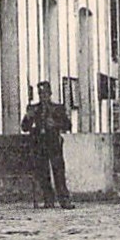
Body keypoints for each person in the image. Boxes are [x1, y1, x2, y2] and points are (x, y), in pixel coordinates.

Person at [22, 80, 73, 209]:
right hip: (39, 143)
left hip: (54, 143)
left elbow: (68, 125)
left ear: (50, 94)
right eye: (40, 93)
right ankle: (48, 199)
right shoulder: (34, 109)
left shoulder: (58, 108)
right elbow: (24, 127)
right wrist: (28, 117)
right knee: (42, 173)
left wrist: (55, 124)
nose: (43, 96)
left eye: (45, 93)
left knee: (58, 171)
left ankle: (64, 199)